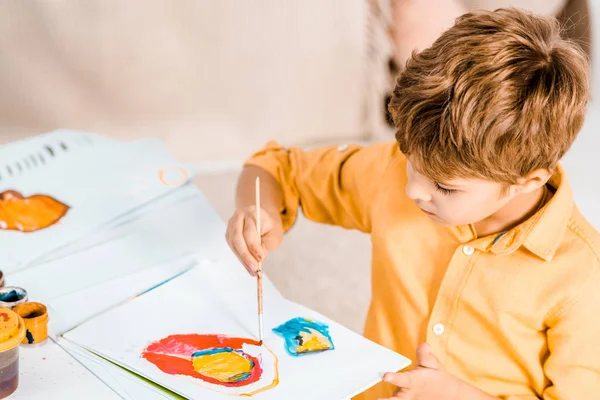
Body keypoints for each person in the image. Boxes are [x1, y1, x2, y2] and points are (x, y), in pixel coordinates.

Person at [225, 8, 599, 400]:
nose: (413, 191)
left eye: (445, 186)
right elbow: (276, 167)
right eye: (409, 159)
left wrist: (455, 394)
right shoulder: (394, 173)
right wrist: (261, 209)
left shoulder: (583, 276)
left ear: (528, 181)